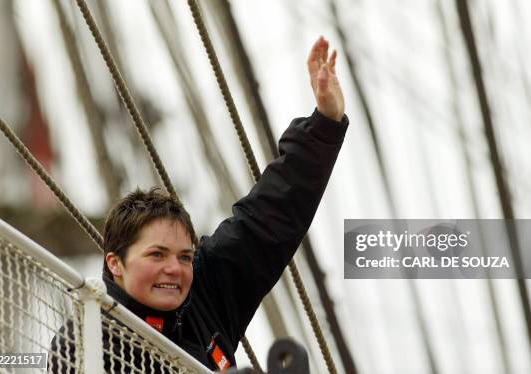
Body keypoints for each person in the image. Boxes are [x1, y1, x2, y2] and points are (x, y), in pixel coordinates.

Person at [50, 36, 348, 372]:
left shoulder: (204, 295)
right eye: (156, 254)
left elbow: (266, 220)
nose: (174, 269)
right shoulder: (85, 343)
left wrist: (325, 123)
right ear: (116, 263)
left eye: (185, 257)